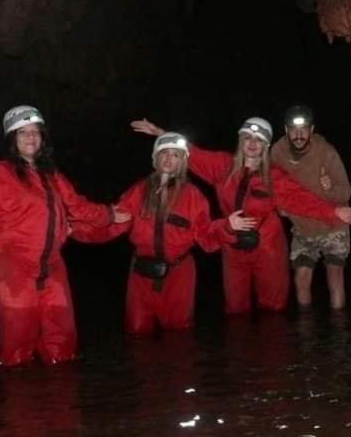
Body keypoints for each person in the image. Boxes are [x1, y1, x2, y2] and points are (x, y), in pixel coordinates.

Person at [0, 105, 131, 366]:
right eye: (22, 132)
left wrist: (108, 215)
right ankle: (20, 399)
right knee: (18, 342)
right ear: (12, 139)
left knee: (63, 341)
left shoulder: (52, 175)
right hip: (13, 265)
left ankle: (58, 402)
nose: (30, 137)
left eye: (35, 131)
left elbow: (78, 206)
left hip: (52, 265)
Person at [131, 117, 351, 314]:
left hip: (267, 246)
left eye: (259, 140)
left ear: (265, 145)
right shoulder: (222, 166)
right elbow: (189, 153)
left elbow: (301, 199)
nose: (252, 144)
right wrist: (161, 134)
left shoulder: (274, 176)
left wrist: (334, 211)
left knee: (273, 308)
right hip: (232, 244)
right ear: (241, 141)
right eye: (248, 138)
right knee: (236, 308)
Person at [78, 132, 255, 334]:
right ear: (155, 158)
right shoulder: (138, 191)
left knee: (179, 335)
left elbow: (206, 235)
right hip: (141, 273)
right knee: (137, 334)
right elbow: (111, 224)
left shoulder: (193, 196)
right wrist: (74, 228)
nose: (169, 158)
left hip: (179, 274)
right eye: (164, 153)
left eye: (176, 155)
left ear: (182, 162)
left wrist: (227, 226)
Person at [270, 105, 351, 309]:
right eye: (293, 129)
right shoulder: (277, 153)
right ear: (286, 130)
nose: (299, 134)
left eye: (304, 129)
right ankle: (306, 334)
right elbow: (273, 186)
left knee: (334, 275)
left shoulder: (327, 152)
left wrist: (329, 189)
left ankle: (339, 335)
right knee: (302, 278)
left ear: (312, 129)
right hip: (302, 226)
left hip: (333, 223)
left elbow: (346, 192)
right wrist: (280, 206)